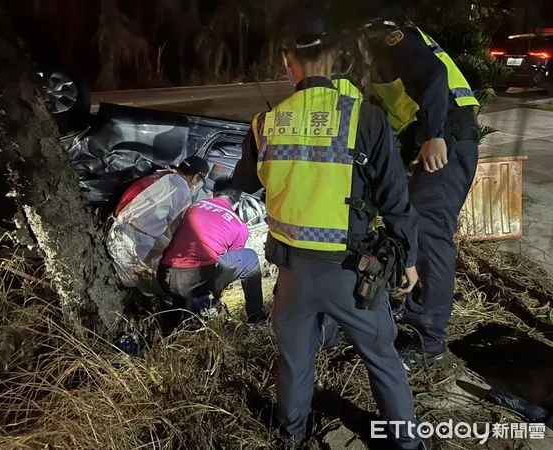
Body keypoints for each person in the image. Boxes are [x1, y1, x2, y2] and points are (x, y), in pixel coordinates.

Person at [232, 14, 426, 449]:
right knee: (382, 360)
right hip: (352, 274)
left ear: (287, 62)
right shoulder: (365, 118)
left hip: (292, 278)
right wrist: (409, 257)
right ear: (336, 60)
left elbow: (243, 183)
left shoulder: (267, 122)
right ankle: (408, 444)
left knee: (295, 363)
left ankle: (291, 436)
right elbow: (395, 197)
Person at [357, 5, 480, 371]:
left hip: (447, 140)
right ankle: (418, 315)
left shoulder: (390, 37)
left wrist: (433, 136)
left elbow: (434, 76)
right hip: (448, 139)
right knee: (419, 229)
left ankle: (430, 340)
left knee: (429, 235)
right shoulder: (396, 46)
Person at [158, 177, 266, 324]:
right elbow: (227, 267)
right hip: (196, 280)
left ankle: (178, 313)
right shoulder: (239, 224)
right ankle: (256, 319)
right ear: (237, 204)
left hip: (165, 274)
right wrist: (216, 292)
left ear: (212, 195)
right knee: (250, 258)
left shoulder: (193, 206)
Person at [105, 155, 209, 297]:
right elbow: (175, 230)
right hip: (132, 242)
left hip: (114, 229)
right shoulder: (182, 189)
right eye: (199, 180)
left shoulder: (162, 174)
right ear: (196, 177)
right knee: (145, 285)